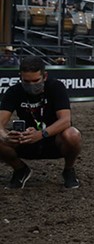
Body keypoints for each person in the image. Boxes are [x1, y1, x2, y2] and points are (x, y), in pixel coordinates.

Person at [0, 56, 83, 189]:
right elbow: (0, 122)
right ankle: (20, 169)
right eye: (26, 81)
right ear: (20, 77)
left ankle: (68, 170)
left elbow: (66, 120)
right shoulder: (14, 91)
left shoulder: (56, 87)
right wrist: (5, 136)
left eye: (36, 80)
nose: (31, 85)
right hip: (25, 140)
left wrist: (40, 134)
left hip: (52, 139)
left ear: (44, 76)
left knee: (73, 134)